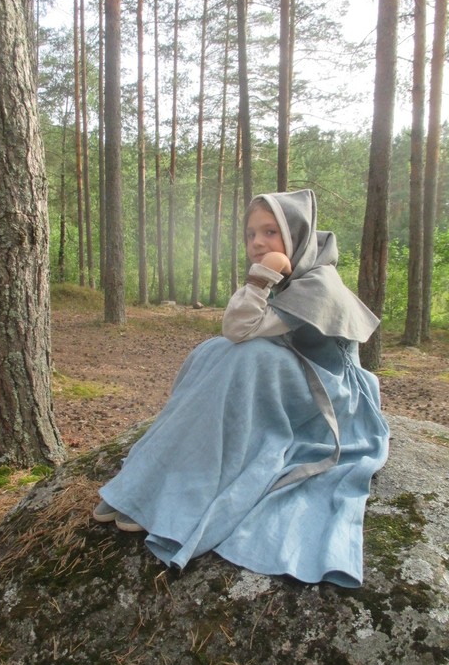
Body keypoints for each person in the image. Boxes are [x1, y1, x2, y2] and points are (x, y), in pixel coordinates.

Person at [93, 190, 389, 588]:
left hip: (332, 394)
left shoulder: (319, 283)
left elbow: (240, 327)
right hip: (296, 374)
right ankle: (156, 477)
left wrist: (260, 277)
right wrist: (264, 277)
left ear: (296, 234)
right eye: (251, 234)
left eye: (270, 231)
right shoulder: (288, 276)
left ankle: (182, 493)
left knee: (249, 358)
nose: (257, 243)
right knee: (212, 351)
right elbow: (235, 331)